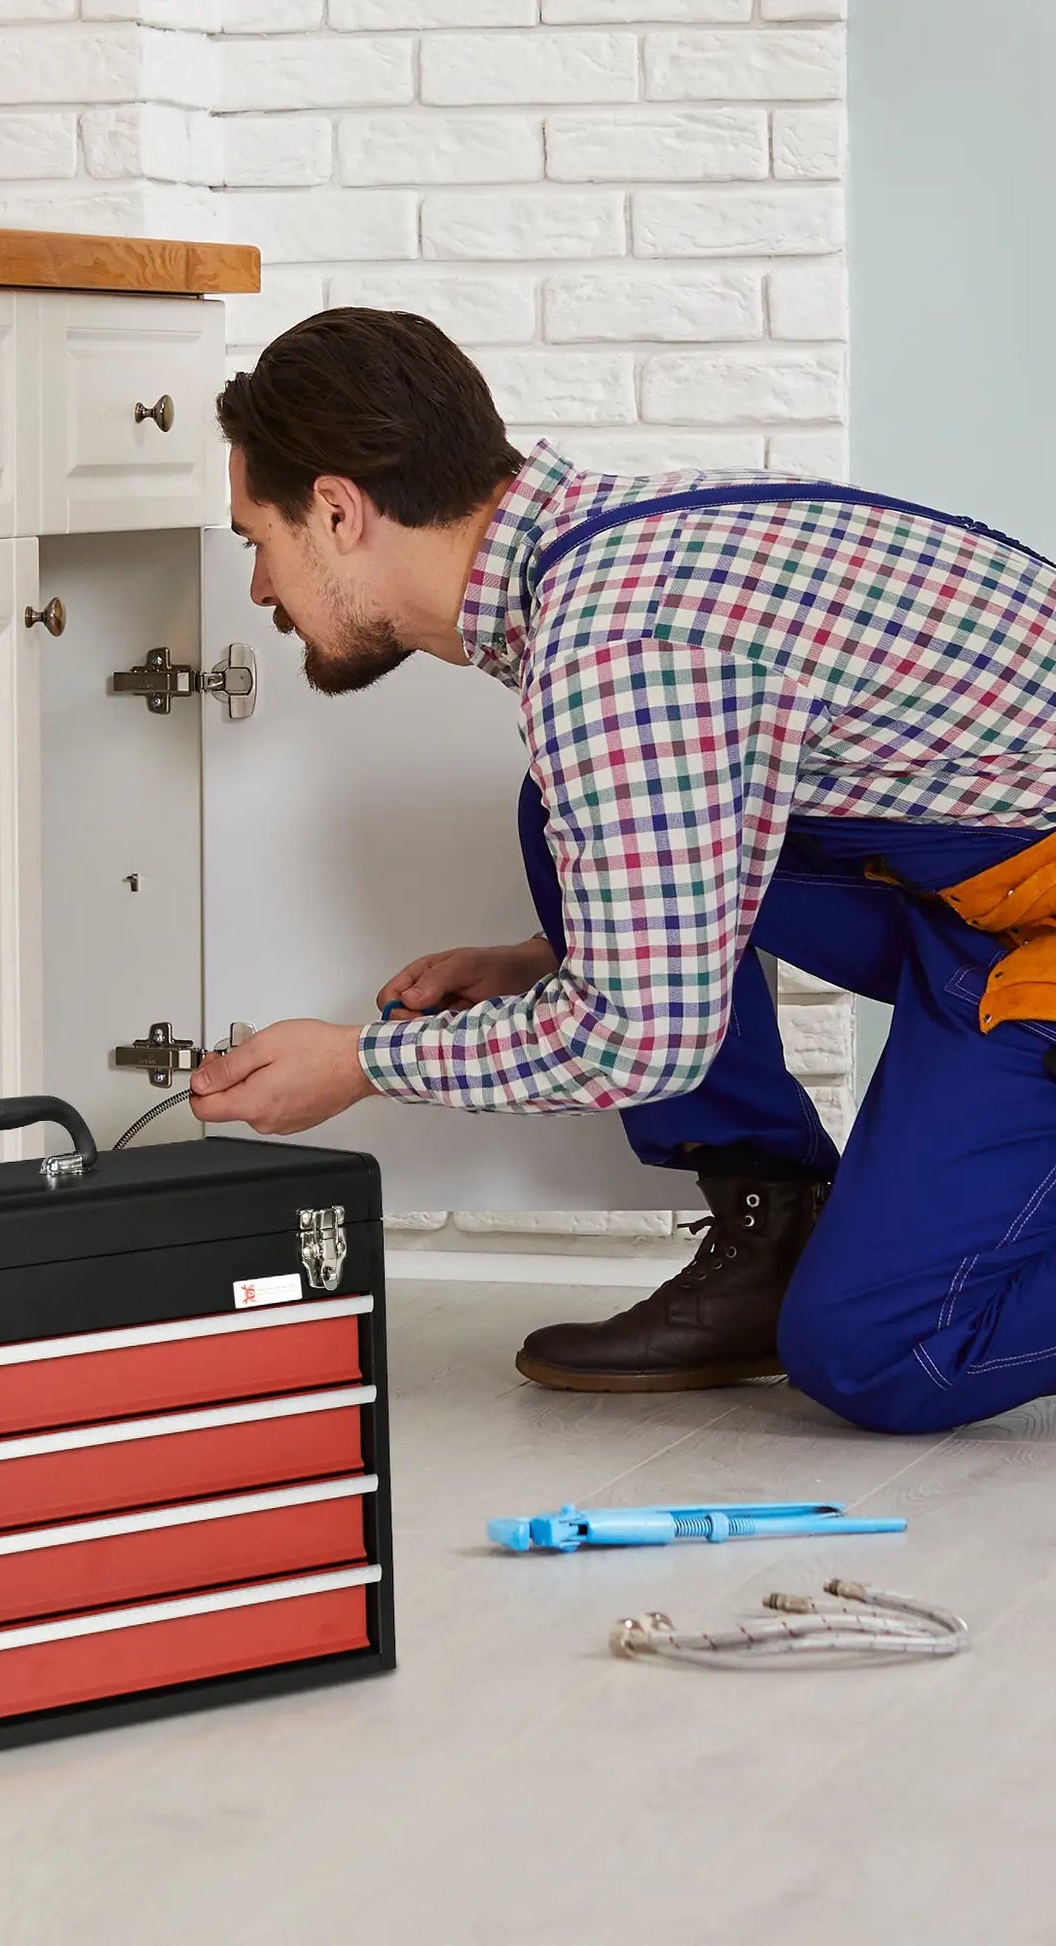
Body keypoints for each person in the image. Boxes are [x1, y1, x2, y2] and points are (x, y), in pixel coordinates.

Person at [188, 306, 1056, 1436]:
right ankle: (770, 1236)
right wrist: (555, 951)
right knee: (563, 810)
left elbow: (642, 1037)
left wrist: (360, 1063)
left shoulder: (612, 648)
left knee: (876, 1350)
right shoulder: (608, 544)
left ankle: (824, 1276)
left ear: (339, 510)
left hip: (1022, 934)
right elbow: (698, 820)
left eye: (256, 537)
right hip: (980, 882)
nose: (256, 590)